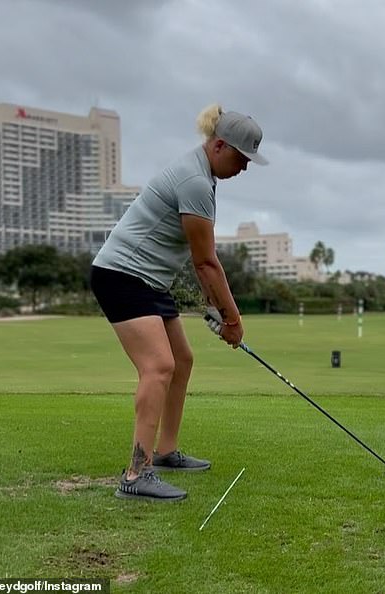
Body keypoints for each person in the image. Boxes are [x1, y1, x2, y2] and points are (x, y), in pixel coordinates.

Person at [90, 104, 268, 501]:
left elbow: (197, 258)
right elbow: (207, 262)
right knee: (159, 366)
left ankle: (166, 451)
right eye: (242, 158)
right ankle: (136, 474)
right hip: (122, 275)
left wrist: (216, 309)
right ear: (220, 146)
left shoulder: (204, 175)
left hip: (151, 281)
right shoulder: (194, 181)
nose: (245, 167)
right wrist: (233, 320)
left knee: (182, 360)